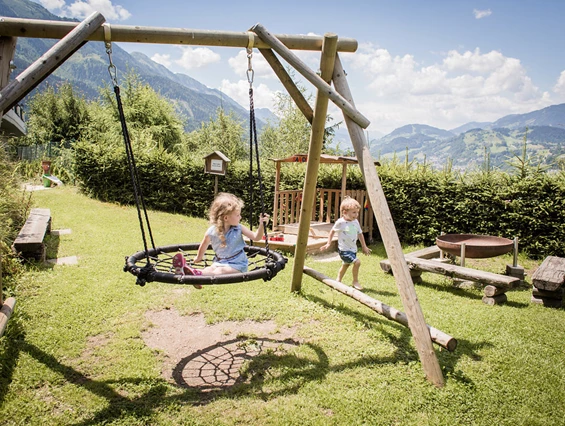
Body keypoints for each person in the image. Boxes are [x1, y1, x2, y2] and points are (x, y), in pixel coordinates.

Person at [190, 192, 269, 275]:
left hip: (238, 265)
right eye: (238, 215)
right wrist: (198, 258)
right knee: (209, 269)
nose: (240, 217)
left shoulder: (239, 228)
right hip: (219, 262)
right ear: (226, 218)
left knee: (219, 271)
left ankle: (197, 274)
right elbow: (204, 244)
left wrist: (261, 225)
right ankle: (196, 276)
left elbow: (256, 237)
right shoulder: (212, 231)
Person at [320, 196, 372, 290]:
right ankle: (355, 281)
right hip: (344, 250)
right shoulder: (340, 222)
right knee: (357, 262)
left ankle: (338, 280)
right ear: (344, 212)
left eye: (357, 212)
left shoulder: (355, 222)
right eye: (354, 212)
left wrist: (364, 246)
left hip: (353, 249)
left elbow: (360, 234)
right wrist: (328, 243)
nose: (356, 215)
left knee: (345, 265)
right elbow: (332, 231)